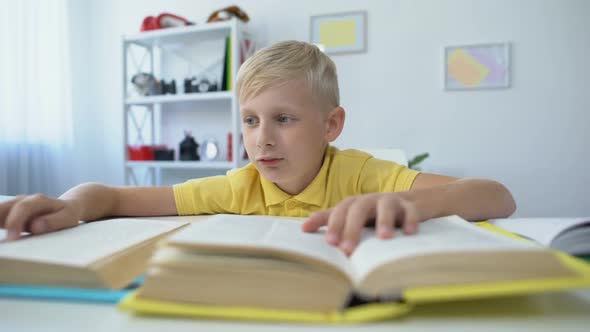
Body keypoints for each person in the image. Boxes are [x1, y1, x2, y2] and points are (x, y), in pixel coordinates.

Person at [0, 41, 516, 255]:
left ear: (331, 125)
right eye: (249, 121)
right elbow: (111, 197)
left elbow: (497, 197)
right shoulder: (236, 187)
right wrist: (69, 205)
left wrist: (409, 201)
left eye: (284, 119)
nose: (261, 139)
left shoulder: (361, 175)